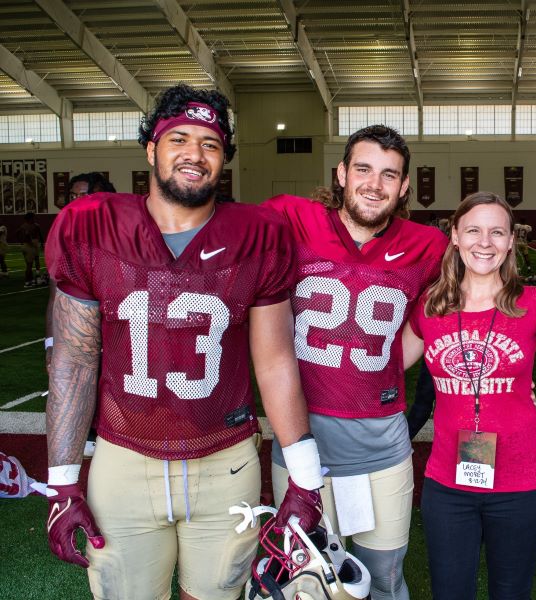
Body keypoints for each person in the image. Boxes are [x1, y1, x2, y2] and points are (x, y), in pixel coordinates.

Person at [43, 83, 324, 600]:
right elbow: (75, 360)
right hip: (123, 460)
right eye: (179, 139)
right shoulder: (92, 224)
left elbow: (276, 360)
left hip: (226, 460)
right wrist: (62, 481)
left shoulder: (258, 232)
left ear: (225, 160)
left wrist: (306, 479)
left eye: (210, 144)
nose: (194, 154)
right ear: (152, 149)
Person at [263, 124, 448, 600]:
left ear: (404, 186)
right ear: (342, 173)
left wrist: (387, 363)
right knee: (310, 582)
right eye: (363, 169)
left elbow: (450, 314)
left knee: (384, 578)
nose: (375, 184)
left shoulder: (428, 246)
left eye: (390, 175)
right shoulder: (291, 217)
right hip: (300, 436)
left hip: (380, 440)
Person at [402, 192, 536, 600]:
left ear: (511, 241)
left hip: (523, 484)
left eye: (497, 232)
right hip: (448, 486)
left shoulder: (531, 304)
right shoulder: (430, 307)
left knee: (511, 593)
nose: (485, 242)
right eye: (474, 231)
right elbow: (385, 367)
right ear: (456, 238)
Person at [46, 173, 117, 370]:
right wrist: (50, 344)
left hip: (118, 348)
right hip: (77, 344)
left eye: (84, 196)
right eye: (73, 197)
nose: (77, 203)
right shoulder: (65, 243)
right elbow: (54, 299)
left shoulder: (122, 240)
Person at [16, 211, 42, 286]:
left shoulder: (23, 226)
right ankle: (27, 281)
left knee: (31, 262)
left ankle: (31, 279)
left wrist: (20, 242)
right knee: (30, 264)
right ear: (30, 218)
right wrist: (28, 242)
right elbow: (29, 236)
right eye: (33, 217)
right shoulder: (33, 226)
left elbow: (17, 233)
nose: (34, 218)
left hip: (27, 245)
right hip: (30, 245)